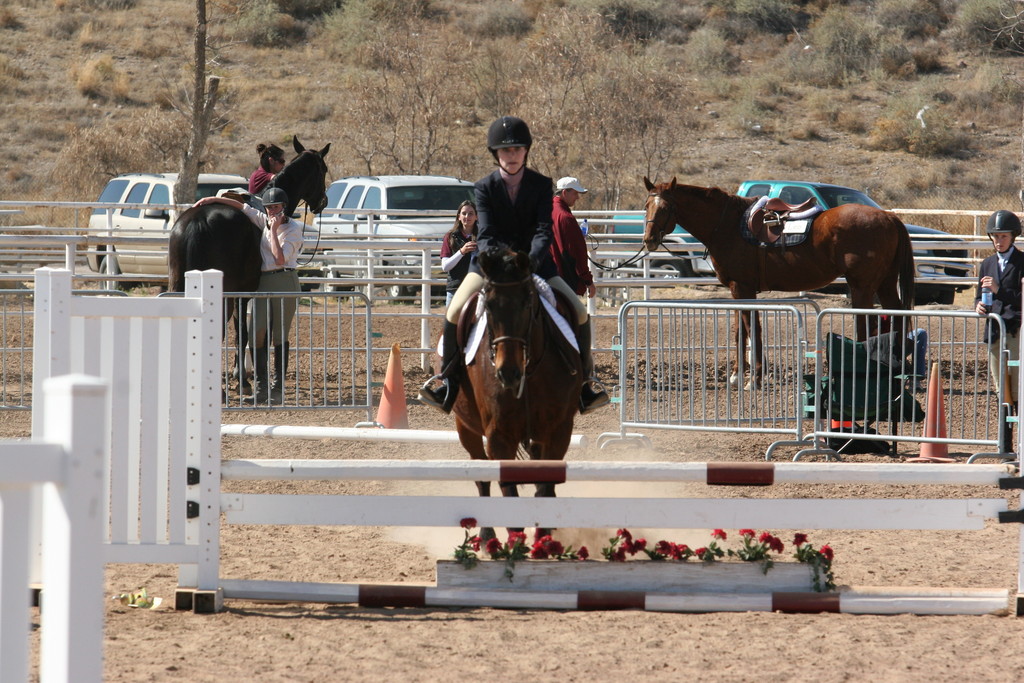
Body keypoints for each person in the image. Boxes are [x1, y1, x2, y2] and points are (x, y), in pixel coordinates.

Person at [417, 115, 609, 414]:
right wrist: (503, 262)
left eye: (517, 149)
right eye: (506, 151)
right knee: (455, 311)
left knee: (579, 311)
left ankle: (585, 385)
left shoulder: (541, 185)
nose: (512, 155)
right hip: (490, 266)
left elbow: (544, 230)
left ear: (526, 151)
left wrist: (529, 261)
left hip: (536, 265)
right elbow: (489, 233)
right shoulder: (484, 187)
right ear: (496, 154)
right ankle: (447, 381)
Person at [194, 187, 304, 404]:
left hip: (284, 280)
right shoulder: (265, 220)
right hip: (264, 280)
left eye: (276, 207)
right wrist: (213, 199)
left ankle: (278, 388)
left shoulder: (292, 229)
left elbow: (280, 259)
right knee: (256, 334)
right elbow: (244, 208)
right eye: (269, 208)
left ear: (284, 207)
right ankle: (262, 387)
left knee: (279, 335)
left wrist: (272, 231)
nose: (272, 211)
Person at [976, 209, 1024, 424]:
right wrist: (978, 306)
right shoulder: (986, 264)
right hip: (995, 331)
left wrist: (999, 290)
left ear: (1013, 236)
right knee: (1000, 388)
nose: (999, 240)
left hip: (1015, 331)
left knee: (1017, 388)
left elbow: (1021, 297)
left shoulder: (1022, 261)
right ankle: (1004, 442)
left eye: (1003, 236)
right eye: (995, 236)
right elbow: (980, 295)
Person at [549, 176, 596, 300]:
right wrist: (588, 280)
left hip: (547, 277)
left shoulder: (547, 210)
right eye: (575, 193)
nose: (577, 197)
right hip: (564, 281)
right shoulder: (566, 218)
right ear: (565, 192)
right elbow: (576, 253)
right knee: (579, 315)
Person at [440, 201, 478, 306]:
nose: (467, 216)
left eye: (471, 213)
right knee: (451, 321)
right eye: (464, 213)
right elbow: (445, 267)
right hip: (455, 288)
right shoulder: (450, 236)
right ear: (459, 217)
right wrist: (462, 252)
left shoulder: (483, 237)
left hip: (478, 289)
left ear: (476, 217)